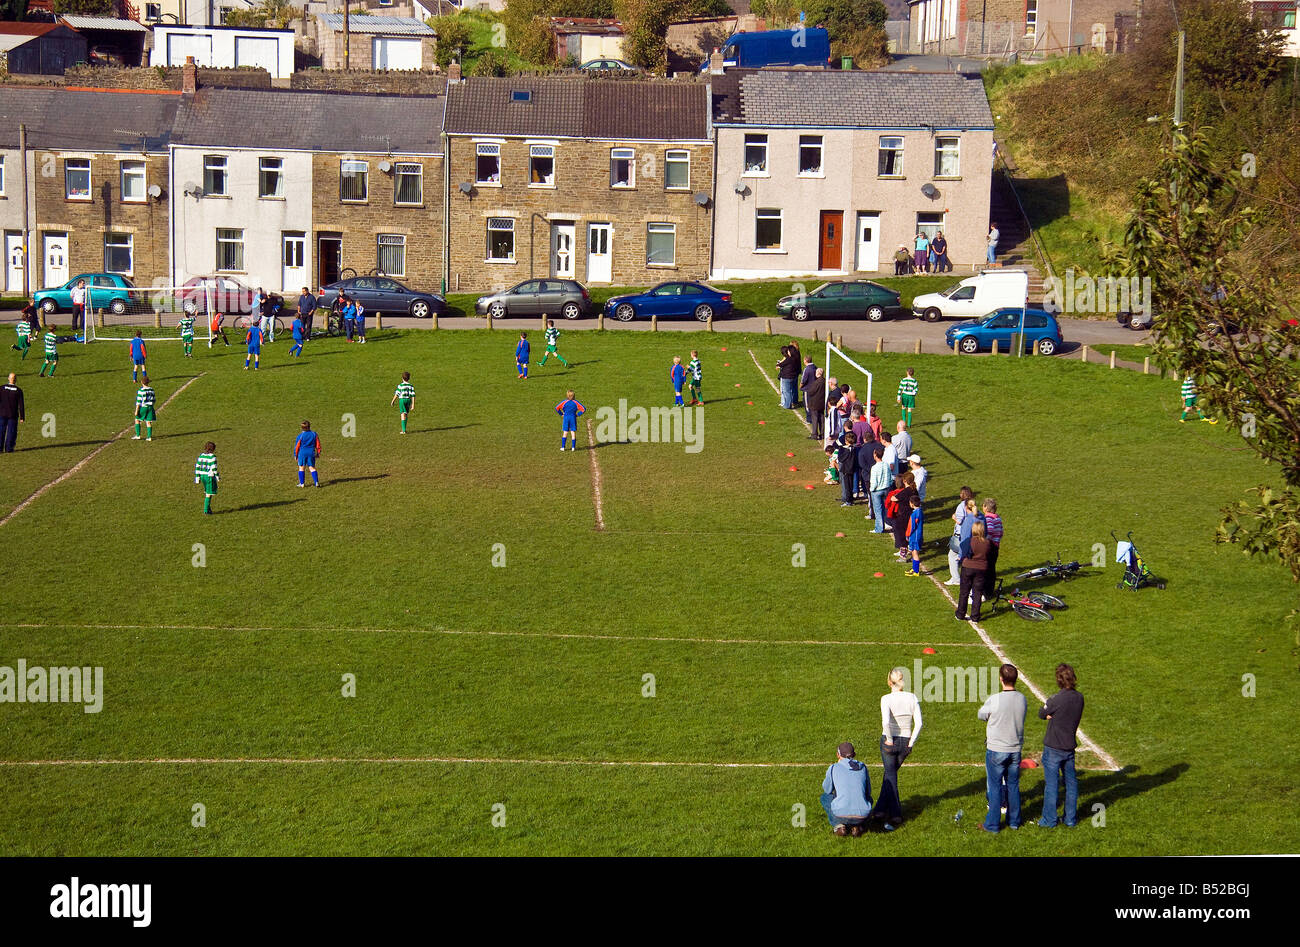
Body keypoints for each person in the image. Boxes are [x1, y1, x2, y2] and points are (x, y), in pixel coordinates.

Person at [977, 664, 1027, 833]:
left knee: (995, 785)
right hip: (1015, 749)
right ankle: (1014, 821)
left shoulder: (995, 699)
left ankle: (992, 824)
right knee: (1013, 785)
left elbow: (981, 715)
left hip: (997, 748)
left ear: (1001, 679)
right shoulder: (1022, 698)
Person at [1038, 663, 1085, 829]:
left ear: (1059, 680)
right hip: (1069, 746)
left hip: (1053, 747)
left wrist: (1050, 711)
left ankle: (1049, 820)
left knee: (1052, 785)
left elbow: (1041, 713)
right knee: (1071, 784)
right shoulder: (1079, 698)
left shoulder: (1056, 699)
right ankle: (1070, 819)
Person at [877, 667, 922, 828]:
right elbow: (919, 723)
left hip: (890, 742)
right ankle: (880, 810)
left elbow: (885, 722)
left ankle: (896, 814)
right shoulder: (912, 697)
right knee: (890, 774)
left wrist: (889, 739)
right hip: (905, 742)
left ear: (889, 682)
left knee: (891, 777)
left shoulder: (886, 699)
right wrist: (911, 743)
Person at [820, 741, 872, 836]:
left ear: (838, 755)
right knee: (869, 799)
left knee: (824, 797)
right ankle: (858, 826)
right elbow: (868, 792)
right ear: (854, 754)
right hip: (862, 814)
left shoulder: (833, 768)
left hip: (841, 813)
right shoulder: (863, 767)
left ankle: (839, 825)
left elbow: (827, 790)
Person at [955, 518, 990, 620]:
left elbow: (962, 549)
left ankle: (960, 614)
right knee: (977, 593)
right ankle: (975, 616)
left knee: (964, 592)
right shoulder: (987, 543)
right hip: (982, 569)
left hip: (968, 567)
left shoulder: (969, 541)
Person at [946, 486, 975, 586]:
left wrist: (954, 517)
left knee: (952, 556)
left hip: (961, 535)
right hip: (972, 534)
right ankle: (958, 577)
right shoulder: (972, 504)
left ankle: (956, 578)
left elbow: (960, 521)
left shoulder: (961, 506)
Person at [890, 471, 918, 560]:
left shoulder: (906, 491)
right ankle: (911, 549)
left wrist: (893, 495)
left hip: (903, 515)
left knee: (901, 535)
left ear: (905, 481)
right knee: (910, 534)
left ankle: (903, 555)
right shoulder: (914, 490)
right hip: (912, 514)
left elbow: (894, 498)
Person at [982, 497, 1003, 595]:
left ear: (986, 507)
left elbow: (989, 531)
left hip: (990, 546)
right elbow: (1001, 532)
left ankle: (986, 591)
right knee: (991, 569)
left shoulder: (988, 518)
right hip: (996, 546)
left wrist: (985, 541)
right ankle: (990, 590)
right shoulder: (997, 517)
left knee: (986, 569)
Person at [294, 420, 322, 487]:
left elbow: (297, 446)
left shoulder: (300, 436)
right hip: (311, 452)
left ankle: (302, 484)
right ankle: (316, 482)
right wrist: (318, 452)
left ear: (301, 428)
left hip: (302, 453)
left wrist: (295, 455)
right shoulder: (314, 434)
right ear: (309, 426)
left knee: (301, 468)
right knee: (312, 468)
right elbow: (318, 444)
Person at [0, 373, 24, 453]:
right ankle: (9, 448)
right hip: (12, 415)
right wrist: (22, 417)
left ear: (8, 378)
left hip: (2, 413)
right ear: (15, 380)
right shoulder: (18, 390)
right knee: (11, 432)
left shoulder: (2, 388)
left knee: (1, 431)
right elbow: (21, 405)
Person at [869, 448, 891, 533]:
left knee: (878, 510)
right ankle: (885, 524)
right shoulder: (886, 465)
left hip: (877, 490)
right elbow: (889, 477)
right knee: (885, 508)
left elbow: (874, 481)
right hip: (886, 489)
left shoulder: (874, 467)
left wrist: (871, 490)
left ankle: (879, 528)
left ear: (875, 455)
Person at [194, 441, 219, 515]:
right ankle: (206, 510)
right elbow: (214, 468)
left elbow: (197, 467)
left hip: (202, 476)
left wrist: (197, 478)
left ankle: (209, 509)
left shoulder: (201, 456)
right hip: (209, 477)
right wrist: (217, 477)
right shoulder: (212, 457)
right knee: (209, 493)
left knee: (207, 492)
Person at [837, 432, 859, 507]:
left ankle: (848, 501)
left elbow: (841, 459)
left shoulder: (848, 450)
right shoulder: (854, 448)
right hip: (852, 469)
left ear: (847, 441)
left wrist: (842, 449)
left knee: (847, 486)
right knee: (850, 485)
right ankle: (850, 499)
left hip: (846, 469)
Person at [904, 494, 924, 575]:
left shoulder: (914, 514)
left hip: (914, 536)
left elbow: (911, 526)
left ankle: (916, 571)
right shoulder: (920, 511)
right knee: (914, 552)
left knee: (914, 553)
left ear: (912, 503)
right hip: (918, 535)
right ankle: (914, 569)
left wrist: (907, 535)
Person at [132, 376, 155, 442]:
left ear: (142, 382)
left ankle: (138, 435)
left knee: (137, 420)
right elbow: (154, 399)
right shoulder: (151, 389)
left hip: (143, 407)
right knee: (148, 422)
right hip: (150, 407)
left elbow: (138, 402)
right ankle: (149, 437)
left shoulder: (141, 391)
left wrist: (136, 411)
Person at [890, 420, 912, 487]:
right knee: (903, 482)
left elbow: (890, 449)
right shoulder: (909, 437)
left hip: (898, 463)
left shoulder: (895, 438)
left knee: (897, 482)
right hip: (905, 463)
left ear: (898, 427)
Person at [805, 368, 826, 439]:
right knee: (821, 419)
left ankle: (814, 434)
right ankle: (822, 433)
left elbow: (811, 392)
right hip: (822, 403)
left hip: (815, 403)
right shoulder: (824, 381)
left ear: (818, 373)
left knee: (815, 419)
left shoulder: (816, 382)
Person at [776, 345, 798, 410]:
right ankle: (791, 403)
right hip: (792, 377)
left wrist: (778, 364)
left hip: (787, 377)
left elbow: (781, 364)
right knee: (790, 391)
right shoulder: (794, 358)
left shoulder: (788, 359)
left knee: (786, 392)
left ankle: (787, 405)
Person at [798, 356, 817, 423]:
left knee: (807, 405)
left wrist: (800, 387)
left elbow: (803, 380)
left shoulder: (807, 369)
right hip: (814, 389)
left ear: (806, 360)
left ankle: (809, 419)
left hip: (807, 389)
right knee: (813, 404)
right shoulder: (815, 367)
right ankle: (814, 418)